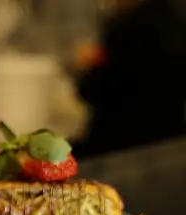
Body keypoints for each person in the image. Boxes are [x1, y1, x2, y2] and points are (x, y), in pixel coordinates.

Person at [75, 0, 186, 158]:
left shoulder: (128, 30)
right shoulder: (174, 21)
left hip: (120, 144)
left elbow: (94, 91)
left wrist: (90, 66)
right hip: (167, 141)